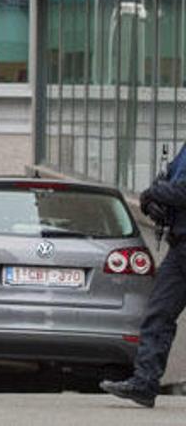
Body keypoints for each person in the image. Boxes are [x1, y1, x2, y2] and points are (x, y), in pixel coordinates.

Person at [101, 141, 186, 408]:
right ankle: (145, 382)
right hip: (180, 245)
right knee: (158, 314)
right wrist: (151, 202)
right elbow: (168, 178)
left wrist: (154, 192)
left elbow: (180, 191)